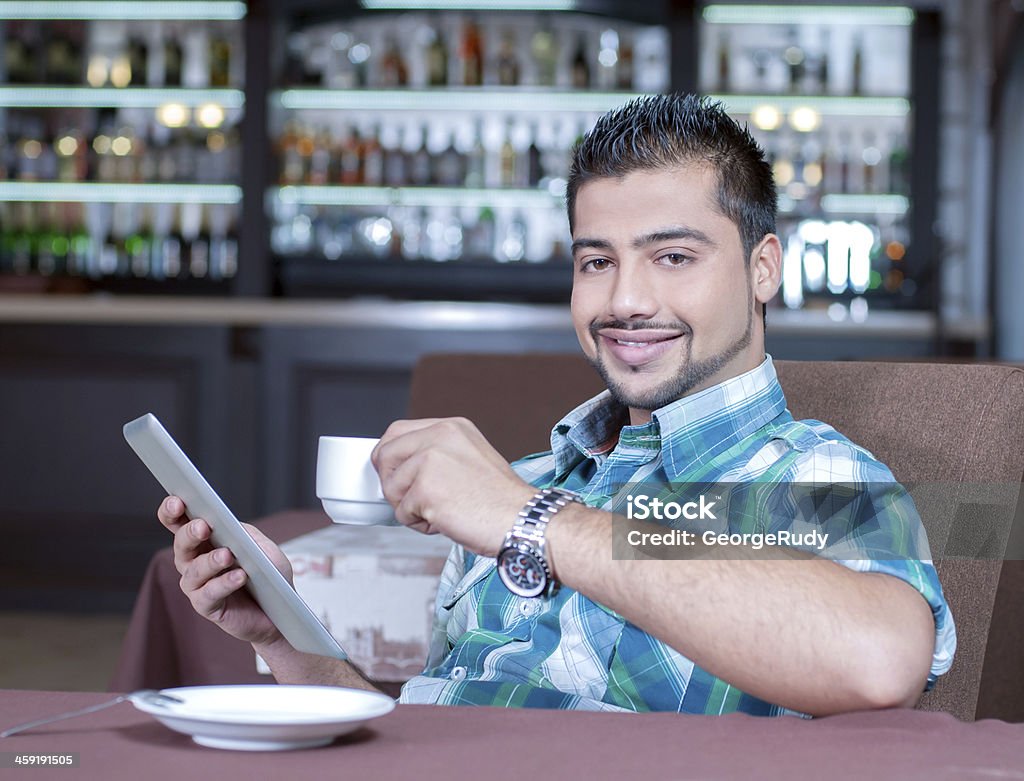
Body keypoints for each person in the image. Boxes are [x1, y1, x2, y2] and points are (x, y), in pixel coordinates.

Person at [157, 93, 954, 717]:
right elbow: (412, 733)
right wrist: (285, 635)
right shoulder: (520, 482)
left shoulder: (818, 474)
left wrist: (528, 519)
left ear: (763, 269)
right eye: (596, 261)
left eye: (674, 256)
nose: (626, 299)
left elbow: (879, 658)